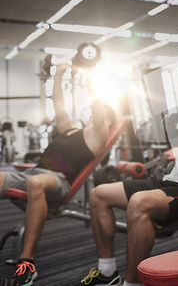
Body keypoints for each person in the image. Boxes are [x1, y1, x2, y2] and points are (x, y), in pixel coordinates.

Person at [69, 57, 178, 286]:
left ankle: (132, 284)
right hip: (172, 182)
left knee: (139, 202)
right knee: (98, 194)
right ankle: (108, 272)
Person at [0, 62, 117, 286]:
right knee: (28, 180)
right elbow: (58, 103)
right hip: (34, 174)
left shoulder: (98, 136)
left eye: (97, 115)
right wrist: (59, 73)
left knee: (35, 183)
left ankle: (26, 265)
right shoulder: (71, 129)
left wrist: (90, 77)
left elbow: (97, 106)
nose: (91, 115)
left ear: (105, 121)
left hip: (57, 181)